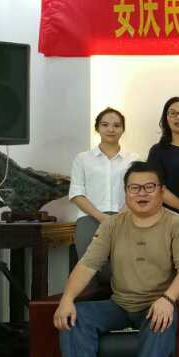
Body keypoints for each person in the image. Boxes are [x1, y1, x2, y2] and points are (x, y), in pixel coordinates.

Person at [48, 161, 179, 357]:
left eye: (149, 187)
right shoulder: (112, 225)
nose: (142, 193)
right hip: (119, 304)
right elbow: (87, 265)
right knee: (75, 319)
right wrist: (67, 299)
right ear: (126, 192)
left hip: (158, 303)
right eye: (134, 188)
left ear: (161, 191)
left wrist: (168, 299)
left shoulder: (178, 224)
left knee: (160, 321)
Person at [69, 107, 139, 256]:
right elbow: (76, 194)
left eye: (117, 125)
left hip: (126, 218)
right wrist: (101, 217)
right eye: (105, 125)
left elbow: (138, 192)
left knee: (125, 265)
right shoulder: (82, 158)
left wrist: (119, 217)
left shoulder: (133, 159)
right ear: (97, 128)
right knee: (88, 265)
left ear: (123, 130)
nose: (111, 129)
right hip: (89, 218)